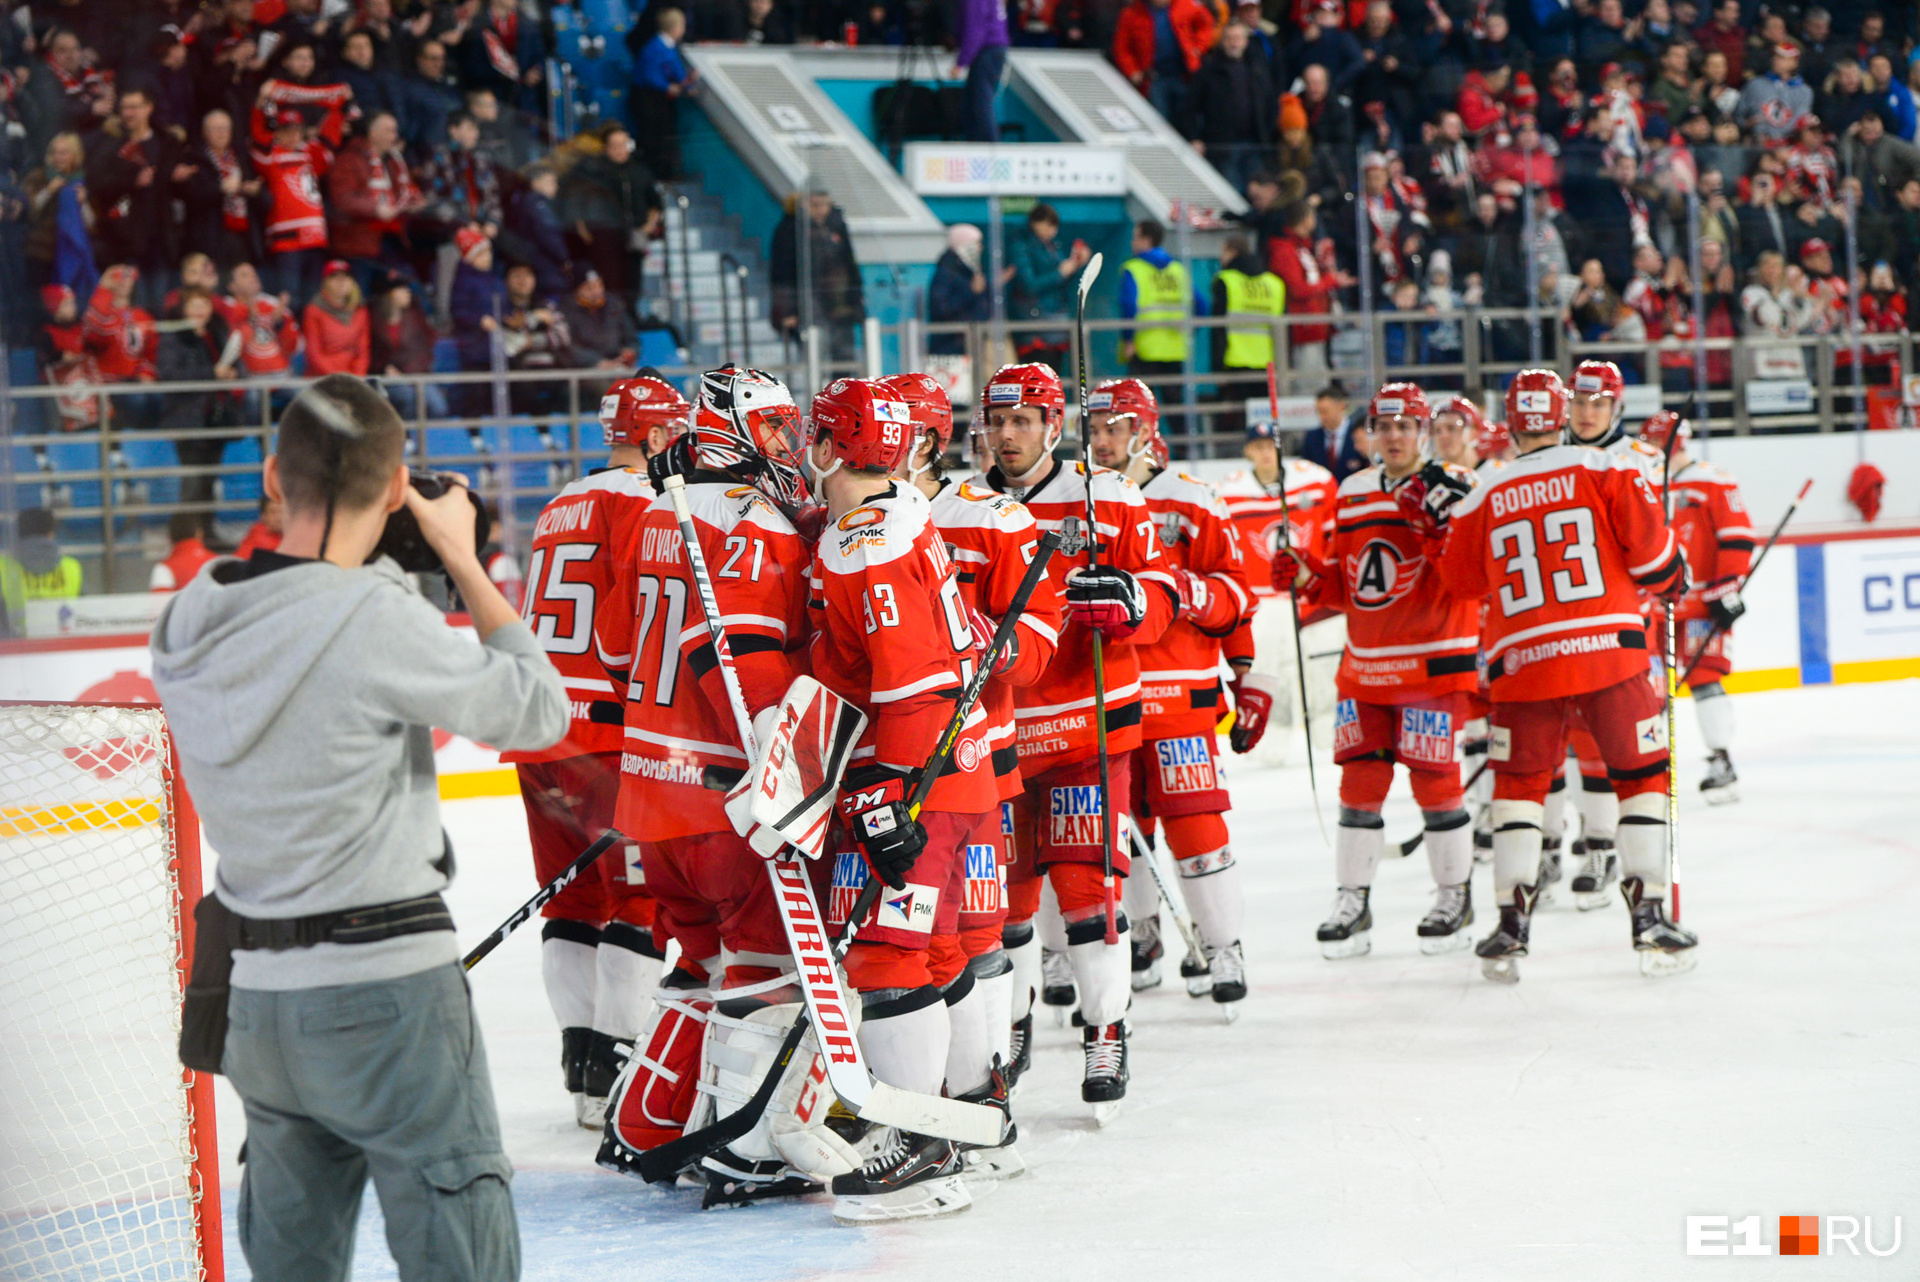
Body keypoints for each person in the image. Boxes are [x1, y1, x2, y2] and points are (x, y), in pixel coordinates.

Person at [150, 374, 566, 1281]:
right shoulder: (378, 618)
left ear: (270, 475)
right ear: (393, 486)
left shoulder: (189, 615)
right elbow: (538, 711)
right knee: (460, 1249)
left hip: (255, 1001)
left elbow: (301, 604)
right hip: (386, 997)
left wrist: (387, 548)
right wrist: (460, 557)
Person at [602, 365, 831, 1208]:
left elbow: (623, 645)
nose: (787, 444)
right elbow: (738, 654)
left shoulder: (652, 512)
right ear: (732, 429)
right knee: (766, 969)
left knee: (698, 961)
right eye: (774, 428)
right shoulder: (750, 522)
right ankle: (745, 1155)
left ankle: (647, 1125)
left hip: (649, 793)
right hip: (724, 793)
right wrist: (785, 765)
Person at [803, 376, 1011, 1221]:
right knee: (936, 955)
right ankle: (959, 1119)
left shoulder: (864, 538)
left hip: (919, 776)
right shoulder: (906, 513)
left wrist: (888, 789)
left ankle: (918, 1143)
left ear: (832, 445)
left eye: (813, 436)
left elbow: (916, 677)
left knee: (889, 957)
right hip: (962, 775)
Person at [1429, 368, 1697, 980]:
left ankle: (1512, 921)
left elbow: (1462, 583)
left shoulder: (1484, 493)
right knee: (1641, 776)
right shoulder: (1606, 469)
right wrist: (1673, 572)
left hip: (1523, 663)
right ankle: (1648, 911)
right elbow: (1652, 557)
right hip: (1611, 653)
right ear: (1560, 413)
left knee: (1520, 787)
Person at [979, 361, 1179, 1118]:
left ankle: (1106, 1028)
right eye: (997, 421)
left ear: (1054, 427)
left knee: (1089, 891)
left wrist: (1129, 605)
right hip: (999, 739)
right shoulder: (964, 507)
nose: (1007, 434)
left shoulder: (1112, 498)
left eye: (1023, 420)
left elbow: (1162, 592)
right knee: (1007, 903)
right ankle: (1016, 1020)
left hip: (1089, 729)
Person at [501, 375, 686, 1127]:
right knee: (640, 900)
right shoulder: (643, 503)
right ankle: (614, 1063)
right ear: (656, 438)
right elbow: (639, 618)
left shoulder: (558, 503)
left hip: (539, 729)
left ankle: (582, 1063)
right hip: (606, 736)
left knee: (574, 903)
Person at [885, 371, 1061, 1107]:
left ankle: (985, 1092)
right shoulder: (848, 520)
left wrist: (987, 644)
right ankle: (941, 1090)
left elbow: (1038, 645)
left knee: (974, 932)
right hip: (885, 766)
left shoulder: (991, 517)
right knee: (907, 941)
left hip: (976, 759)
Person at [1281, 383, 1482, 958]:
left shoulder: (1459, 486)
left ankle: (1453, 894)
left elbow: (1471, 580)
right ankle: (1353, 899)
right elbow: (1352, 586)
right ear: (1369, 432)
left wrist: (1435, 529)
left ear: (1423, 430)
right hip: (1364, 669)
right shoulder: (1353, 492)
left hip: (1433, 667)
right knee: (1359, 787)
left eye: (1404, 426)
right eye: (1382, 426)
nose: (1392, 437)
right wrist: (1306, 576)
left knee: (1435, 784)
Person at [1085, 379, 1254, 1005]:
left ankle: (1224, 944)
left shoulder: (1192, 499)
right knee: (1120, 829)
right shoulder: (1080, 498)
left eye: (1113, 429)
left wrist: (1246, 671)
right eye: (1094, 429)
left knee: (1196, 822)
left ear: (1143, 430)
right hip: (1106, 698)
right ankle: (1144, 935)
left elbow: (1238, 597)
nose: (1101, 442)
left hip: (1182, 697)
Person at [1640, 410, 1752, 805]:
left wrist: (1727, 590)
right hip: (1654, 605)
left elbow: (1737, 535)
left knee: (1705, 678)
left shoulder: (1712, 478)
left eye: (1657, 443)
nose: (1652, 450)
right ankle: (1651, 768)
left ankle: (1721, 761)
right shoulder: (1644, 483)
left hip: (1703, 604)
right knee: (1647, 689)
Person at [1214, 421, 1338, 767]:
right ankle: (1271, 744)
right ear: (1247, 451)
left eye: (1271, 444)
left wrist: (1323, 580)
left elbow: (1334, 537)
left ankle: (1328, 739)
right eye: (1258, 446)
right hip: (1263, 600)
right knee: (1269, 668)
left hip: (1310, 596)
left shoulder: (1314, 479)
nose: (1265, 452)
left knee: (1322, 667)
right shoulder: (1228, 491)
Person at [558, 124, 663, 307]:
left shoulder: (640, 171)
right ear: (606, 148)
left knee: (633, 284)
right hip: (605, 236)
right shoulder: (595, 170)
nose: (620, 150)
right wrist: (581, 226)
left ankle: (630, 322)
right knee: (609, 282)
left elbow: (655, 202)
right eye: (615, 145)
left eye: (624, 144)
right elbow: (574, 194)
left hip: (634, 236)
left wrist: (649, 225)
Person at [1118, 219, 1202, 447]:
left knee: (1139, 408)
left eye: (1135, 237)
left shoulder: (1133, 269)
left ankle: (1140, 454)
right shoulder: (1178, 270)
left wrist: (1128, 339)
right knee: (1177, 411)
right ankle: (1187, 451)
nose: (1132, 242)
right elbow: (1201, 305)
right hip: (1176, 350)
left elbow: (1128, 306)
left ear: (1146, 239)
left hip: (1145, 348)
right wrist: (1190, 330)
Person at [158, 288, 241, 507]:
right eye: (194, 305)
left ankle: (207, 533)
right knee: (193, 483)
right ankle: (186, 535)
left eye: (204, 305)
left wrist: (233, 373)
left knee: (209, 481)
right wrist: (211, 373)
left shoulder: (218, 333)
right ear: (183, 309)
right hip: (188, 418)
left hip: (217, 414)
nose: (200, 311)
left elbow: (238, 364)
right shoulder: (173, 338)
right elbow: (169, 376)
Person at [327, 111, 424, 289]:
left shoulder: (394, 161)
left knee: (407, 291)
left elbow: (405, 190)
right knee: (360, 298)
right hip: (358, 244)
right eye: (389, 131)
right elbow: (342, 198)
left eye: (395, 131)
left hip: (391, 240)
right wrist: (376, 209)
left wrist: (415, 201)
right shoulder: (349, 159)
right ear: (372, 133)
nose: (394, 136)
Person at [770, 187, 864, 368]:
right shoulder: (790, 229)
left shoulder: (837, 226)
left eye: (825, 204)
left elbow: (850, 265)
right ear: (803, 205)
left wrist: (856, 300)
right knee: (813, 359)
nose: (820, 210)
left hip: (839, 306)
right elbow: (782, 273)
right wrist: (788, 310)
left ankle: (843, 393)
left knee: (844, 359)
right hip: (808, 306)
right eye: (815, 205)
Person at [251, 107, 333, 307]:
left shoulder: (309, 154)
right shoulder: (272, 156)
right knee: (290, 298)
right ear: (276, 134)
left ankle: (308, 337)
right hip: (287, 241)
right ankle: (291, 336)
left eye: (297, 131)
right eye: (286, 131)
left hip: (315, 237)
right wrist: (259, 108)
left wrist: (336, 111)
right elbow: (258, 138)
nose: (293, 136)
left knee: (314, 298)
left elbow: (330, 142)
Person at [1188, 21, 1277, 195]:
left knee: (1257, 192)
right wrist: (1195, 137)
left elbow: (1270, 102)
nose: (1233, 43)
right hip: (1223, 146)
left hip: (1254, 143)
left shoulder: (1257, 69)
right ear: (1222, 42)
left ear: (1245, 41)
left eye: (1237, 38)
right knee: (1230, 192)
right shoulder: (1208, 72)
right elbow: (1189, 108)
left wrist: (1267, 131)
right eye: (1229, 38)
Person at [1209, 234, 1284, 437]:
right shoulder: (1274, 284)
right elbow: (1283, 331)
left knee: (1234, 420)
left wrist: (1217, 369)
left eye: (1223, 252)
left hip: (1235, 360)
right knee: (1265, 421)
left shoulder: (1226, 281)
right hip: (1267, 362)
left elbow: (1218, 329)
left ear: (1232, 251)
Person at [1005, 203, 1091, 373]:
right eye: (1049, 225)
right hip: (1034, 325)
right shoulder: (1021, 245)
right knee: (1036, 375)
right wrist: (1060, 273)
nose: (1053, 231)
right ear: (1035, 223)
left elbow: (1060, 282)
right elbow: (1030, 285)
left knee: (1054, 374)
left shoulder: (1051, 246)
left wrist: (1074, 266)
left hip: (1055, 322)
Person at [178, 110, 263, 273]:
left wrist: (252, 191)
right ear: (204, 132)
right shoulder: (194, 159)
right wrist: (220, 189)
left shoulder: (241, 158)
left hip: (243, 234)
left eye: (225, 128)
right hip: (211, 235)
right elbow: (191, 196)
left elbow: (262, 195)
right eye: (215, 128)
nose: (221, 133)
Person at [630, 7, 694, 180]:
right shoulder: (654, 47)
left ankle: (666, 170)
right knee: (653, 135)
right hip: (647, 98)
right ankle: (653, 173)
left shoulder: (669, 47)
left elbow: (677, 71)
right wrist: (667, 87)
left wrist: (687, 86)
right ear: (675, 28)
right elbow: (649, 74)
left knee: (666, 133)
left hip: (660, 99)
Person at [1, 508, 83, 631]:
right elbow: (86, 613)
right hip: (63, 642)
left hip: (13, 644)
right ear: (51, 533)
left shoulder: (3, 567)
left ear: (17, 534)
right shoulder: (72, 567)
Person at [927, 224, 997, 353]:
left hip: (973, 341)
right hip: (951, 346)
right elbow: (941, 309)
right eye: (976, 243)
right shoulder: (946, 272)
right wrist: (971, 291)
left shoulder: (971, 271)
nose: (981, 248)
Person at [302, 261, 371, 377]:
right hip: (322, 379)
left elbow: (362, 352)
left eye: (346, 277)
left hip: (353, 379)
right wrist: (338, 379)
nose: (341, 282)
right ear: (325, 283)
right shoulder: (314, 310)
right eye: (334, 277)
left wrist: (357, 378)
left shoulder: (360, 311)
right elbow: (314, 355)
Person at [955, 0, 1010, 142]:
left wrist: (962, 62)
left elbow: (976, 29)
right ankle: (979, 146)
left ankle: (988, 149)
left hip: (987, 50)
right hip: (994, 48)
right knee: (974, 101)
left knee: (980, 102)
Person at [150, 512, 220, 592]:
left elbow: (159, 602)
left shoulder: (164, 568)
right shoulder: (219, 562)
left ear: (169, 538)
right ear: (200, 534)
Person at [236, 494, 285, 558]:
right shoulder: (257, 537)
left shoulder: (298, 535)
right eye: (273, 512)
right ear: (263, 516)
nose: (278, 518)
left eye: (282, 512)